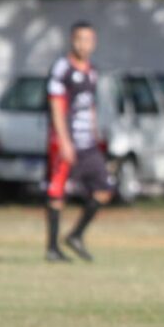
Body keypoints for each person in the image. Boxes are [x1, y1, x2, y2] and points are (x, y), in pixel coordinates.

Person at [44, 21, 113, 262]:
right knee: (57, 191)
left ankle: (75, 235)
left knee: (104, 189)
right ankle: (52, 248)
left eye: (89, 40)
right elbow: (56, 104)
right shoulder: (62, 67)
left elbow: (90, 106)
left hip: (87, 143)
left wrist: (95, 135)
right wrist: (63, 140)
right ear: (72, 40)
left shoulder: (91, 71)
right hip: (65, 140)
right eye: (80, 39)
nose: (85, 45)